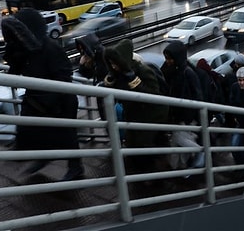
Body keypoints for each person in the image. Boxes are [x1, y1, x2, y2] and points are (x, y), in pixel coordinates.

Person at [1, 8, 84, 181]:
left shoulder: (51, 48)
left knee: (67, 135)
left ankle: (76, 168)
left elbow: (64, 75)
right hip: (37, 98)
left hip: (61, 100)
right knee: (31, 128)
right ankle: (42, 156)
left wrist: (51, 100)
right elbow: (15, 71)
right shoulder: (25, 50)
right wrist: (12, 52)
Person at [103, 38, 170, 174]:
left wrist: (134, 82)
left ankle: (152, 175)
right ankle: (144, 173)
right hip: (134, 114)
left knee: (144, 145)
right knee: (134, 143)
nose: (114, 66)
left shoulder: (143, 71)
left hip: (150, 115)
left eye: (115, 63)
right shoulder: (119, 74)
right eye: (111, 64)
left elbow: (153, 95)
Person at [161, 41, 206, 169]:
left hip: (186, 117)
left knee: (178, 140)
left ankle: (199, 153)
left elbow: (198, 96)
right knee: (178, 143)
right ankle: (181, 168)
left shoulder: (188, 73)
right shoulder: (171, 70)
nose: (168, 61)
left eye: (170, 58)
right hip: (177, 115)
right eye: (166, 58)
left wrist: (198, 118)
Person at [75, 33, 109, 120]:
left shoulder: (104, 61)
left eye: (84, 52)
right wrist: (83, 65)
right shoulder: (96, 61)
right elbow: (85, 74)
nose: (83, 55)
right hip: (102, 101)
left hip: (109, 102)